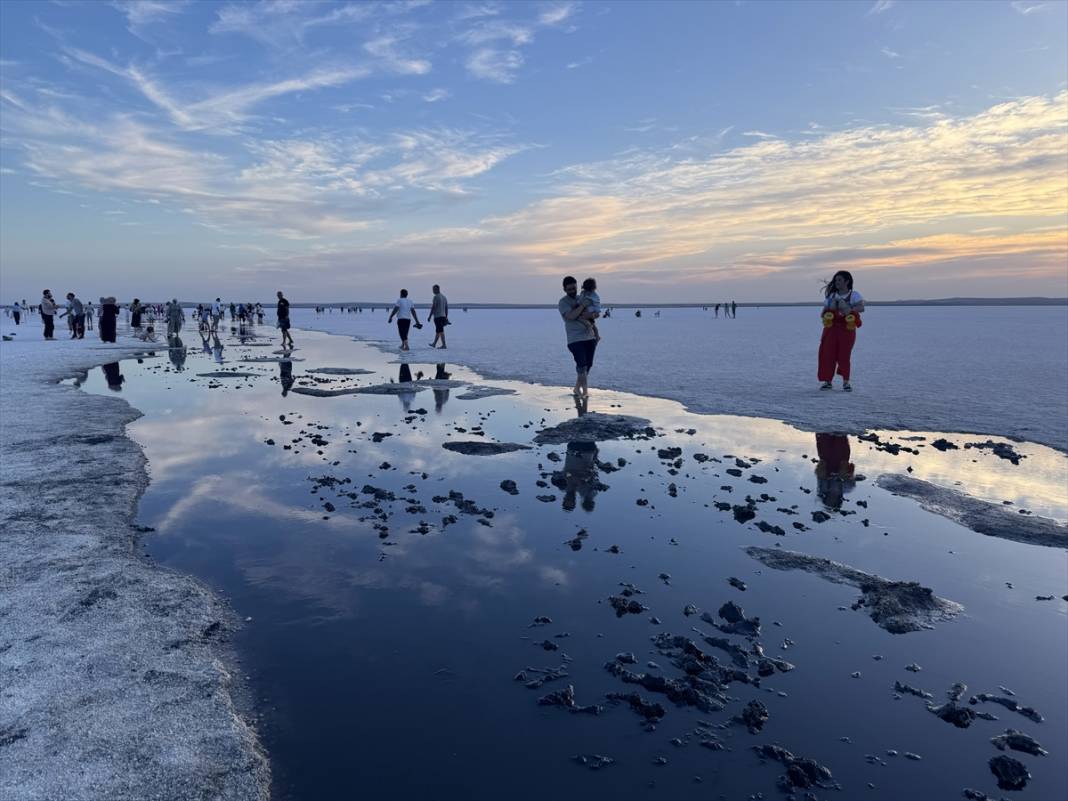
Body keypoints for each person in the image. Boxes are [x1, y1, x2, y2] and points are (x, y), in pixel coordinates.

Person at [818, 270, 865, 391]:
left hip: (846, 329)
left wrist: (847, 308)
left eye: (839, 280)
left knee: (844, 355)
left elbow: (861, 307)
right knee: (828, 354)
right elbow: (823, 311)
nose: (837, 282)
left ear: (847, 281)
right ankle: (827, 381)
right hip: (831, 329)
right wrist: (830, 309)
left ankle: (846, 382)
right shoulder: (831, 296)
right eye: (836, 280)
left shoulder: (854, 295)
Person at [558, 276, 598, 397]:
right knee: (582, 365)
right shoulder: (563, 302)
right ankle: (585, 392)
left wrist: (591, 315)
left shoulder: (582, 297)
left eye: (574, 288)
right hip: (575, 339)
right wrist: (582, 307)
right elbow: (571, 316)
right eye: (569, 289)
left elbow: (595, 313)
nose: (572, 291)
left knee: (588, 365)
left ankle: (576, 388)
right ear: (564, 289)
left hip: (590, 337)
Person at [814, 433, 856, 509]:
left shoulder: (822, 489)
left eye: (829, 501)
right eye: (833, 501)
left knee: (823, 435)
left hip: (826, 458)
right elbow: (851, 469)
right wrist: (846, 473)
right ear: (838, 500)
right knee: (840, 436)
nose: (831, 499)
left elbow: (819, 473)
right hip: (840, 460)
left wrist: (820, 471)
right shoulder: (846, 488)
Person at [429, 284, 449, 349]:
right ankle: (434, 344)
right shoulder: (444, 297)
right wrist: (446, 317)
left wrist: (429, 316)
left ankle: (444, 345)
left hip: (438, 316)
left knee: (440, 330)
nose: (433, 291)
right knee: (438, 330)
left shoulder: (436, 297)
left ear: (437, 289)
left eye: (433, 289)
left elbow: (433, 307)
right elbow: (446, 308)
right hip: (443, 316)